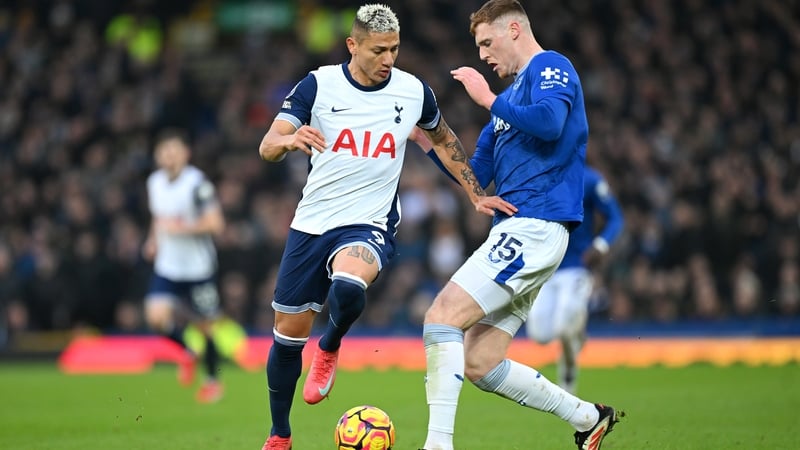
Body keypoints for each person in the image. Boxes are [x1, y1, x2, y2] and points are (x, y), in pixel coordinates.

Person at [256, 4, 516, 450]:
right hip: (312, 224)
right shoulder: (318, 85)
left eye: (395, 49)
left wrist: (474, 191)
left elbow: (443, 140)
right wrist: (289, 139)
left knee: (350, 286)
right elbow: (268, 145)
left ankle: (331, 345)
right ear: (352, 45)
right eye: (379, 50)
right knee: (286, 338)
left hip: (369, 222)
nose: (389, 59)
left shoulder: (413, 91)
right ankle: (280, 434)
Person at [419, 1, 622, 449]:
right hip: (520, 233)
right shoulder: (505, 107)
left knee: (441, 317)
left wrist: (487, 100)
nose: (484, 56)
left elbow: (550, 124)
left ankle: (437, 445)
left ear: (514, 29)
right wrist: (427, 142)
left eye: (487, 43)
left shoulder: (551, 67)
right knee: (479, 363)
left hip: (536, 224)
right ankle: (588, 418)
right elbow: (475, 173)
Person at [142, 129, 226, 404]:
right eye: (164, 151)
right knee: (156, 317)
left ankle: (213, 381)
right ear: (157, 156)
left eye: (174, 150)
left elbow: (216, 223)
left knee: (206, 326)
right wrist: (153, 240)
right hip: (168, 265)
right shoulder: (154, 182)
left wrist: (182, 229)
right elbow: (158, 218)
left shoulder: (197, 184)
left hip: (198, 268)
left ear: (185, 154)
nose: (169, 156)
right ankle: (188, 352)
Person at [527, 165, 624, 394]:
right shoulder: (537, 176)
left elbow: (615, 218)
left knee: (563, 327)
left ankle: (569, 368)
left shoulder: (589, 179)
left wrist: (600, 246)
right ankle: (578, 330)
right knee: (539, 335)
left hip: (577, 267)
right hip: (546, 268)